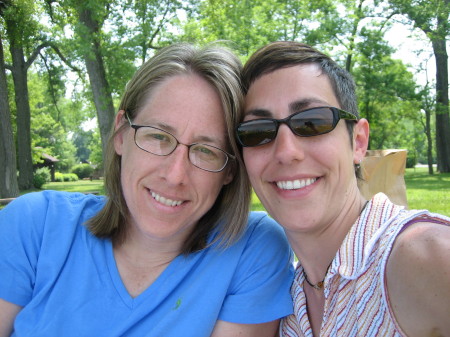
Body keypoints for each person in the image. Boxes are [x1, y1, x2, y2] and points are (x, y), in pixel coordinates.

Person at [0, 43, 294, 337]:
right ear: (121, 134)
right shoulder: (35, 225)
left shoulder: (253, 250)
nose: (175, 174)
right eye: (158, 136)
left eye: (206, 151)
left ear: (230, 170)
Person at [236, 41, 450, 337]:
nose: (286, 152)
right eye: (257, 131)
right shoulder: (281, 306)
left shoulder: (424, 254)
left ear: (358, 142)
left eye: (312, 122)